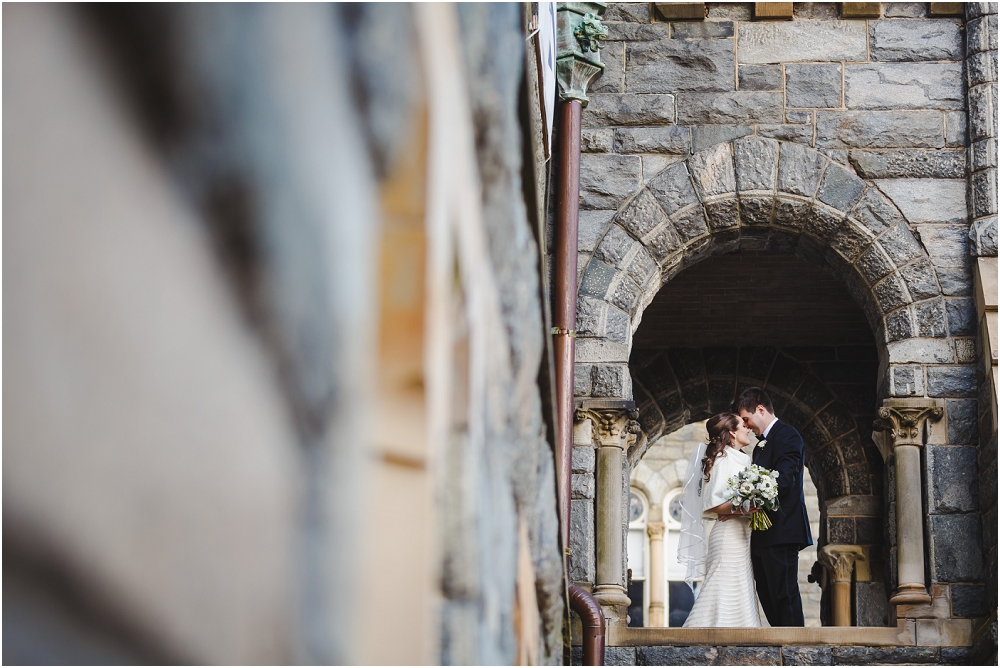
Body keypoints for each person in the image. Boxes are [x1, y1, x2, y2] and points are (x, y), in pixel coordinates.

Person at [736, 386, 813, 627]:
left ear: (760, 409)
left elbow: (787, 478)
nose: (746, 426)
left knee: (784, 594)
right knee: (767, 594)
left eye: (747, 419)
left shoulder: (787, 434)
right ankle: (778, 642)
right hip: (762, 533)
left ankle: (793, 649)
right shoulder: (761, 445)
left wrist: (756, 493)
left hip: (783, 529)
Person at [678, 413, 763, 628]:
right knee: (723, 583)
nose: (748, 427)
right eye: (742, 424)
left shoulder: (742, 458)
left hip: (742, 533)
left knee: (740, 585)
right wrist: (745, 508)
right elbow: (712, 504)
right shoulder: (723, 457)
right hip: (728, 535)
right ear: (732, 432)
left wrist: (744, 508)